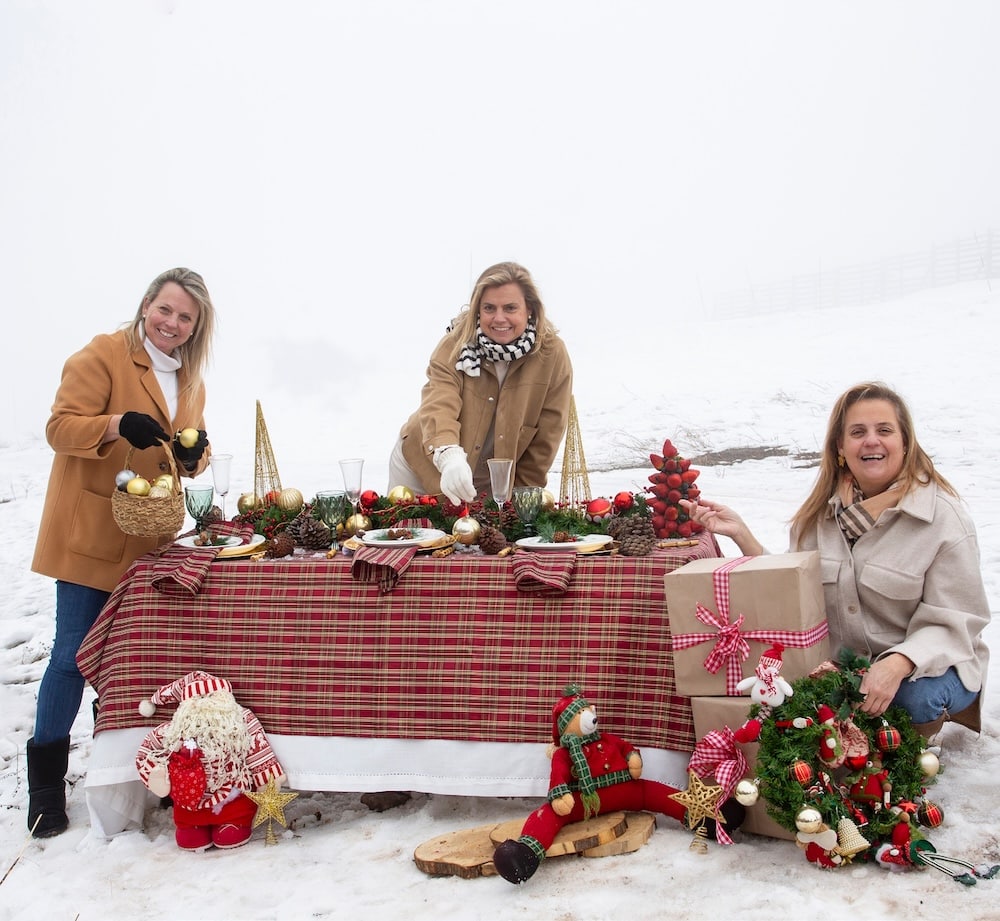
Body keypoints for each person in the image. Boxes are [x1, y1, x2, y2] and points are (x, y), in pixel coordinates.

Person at [682, 381, 990, 737]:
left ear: (905, 444)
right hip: (850, 668)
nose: (871, 441)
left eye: (884, 430)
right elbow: (796, 586)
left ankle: (915, 748)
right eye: (858, 432)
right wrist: (740, 534)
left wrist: (899, 662)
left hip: (931, 666)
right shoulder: (818, 517)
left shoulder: (943, 519)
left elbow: (957, 620)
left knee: (912, 698)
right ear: (841, 448)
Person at [27, 267, 216, 837]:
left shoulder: (192, 380)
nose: (173, 324)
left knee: (131, 663)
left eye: (186, 318)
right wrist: (115, 425)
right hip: (91, 532)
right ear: (146, 305)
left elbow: (192, 451)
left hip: (148, 538)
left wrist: (194, 456)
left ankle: (118, 773)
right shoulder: (103, 355)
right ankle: (43, 787)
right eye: (166, 310)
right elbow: (60, 427)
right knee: (70, 658)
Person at [389, 261, 573, 504]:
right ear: (478, 309)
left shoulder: (552, 355)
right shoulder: (455, 345)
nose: (499, 318)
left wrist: (520, 502)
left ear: (529, 309)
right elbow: (439, 403)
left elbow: (546, 439)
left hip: (491, 481)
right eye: (489, 308)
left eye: (510, 308)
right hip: (425, 467)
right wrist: (449, 457)